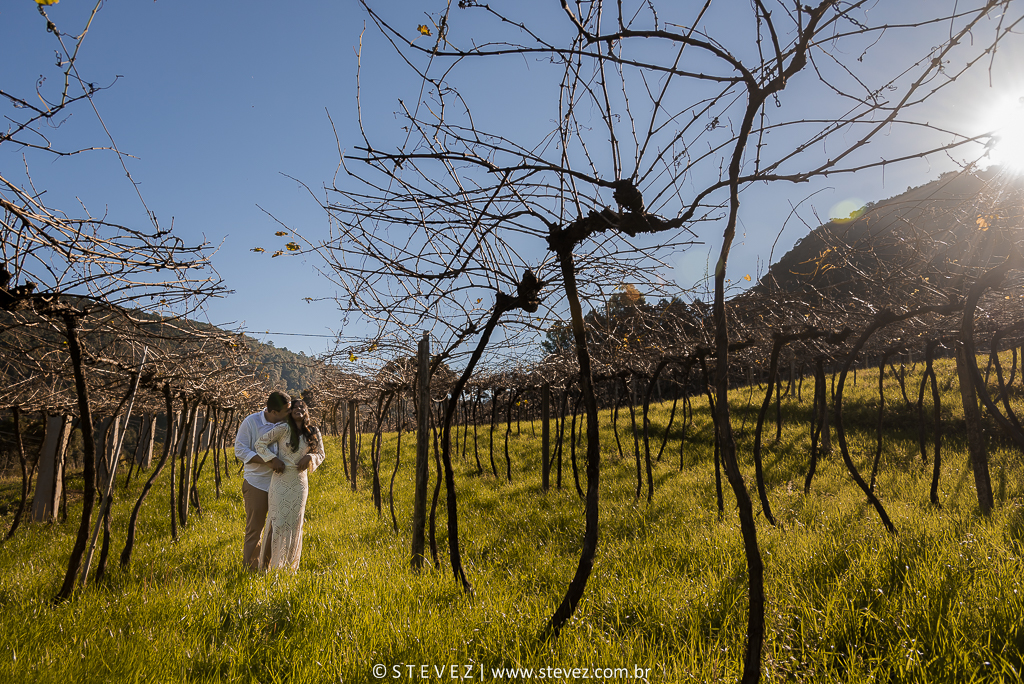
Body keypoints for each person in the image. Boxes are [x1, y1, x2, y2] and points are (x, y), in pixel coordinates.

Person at [254, 399, 324, 571]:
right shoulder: (283, 429)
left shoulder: (313, 431)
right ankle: (266, 568)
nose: (299, 408)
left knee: (294, 524)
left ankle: (288, 568)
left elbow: (321, 454)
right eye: (295, 406)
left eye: (302, 406)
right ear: (290, 412)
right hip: (280, 480)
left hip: (299, 483)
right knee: (277, 523)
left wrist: (310, 457)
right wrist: (273, 459)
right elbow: (260, 444)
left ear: (306, 411)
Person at [234, 391, 291, 571]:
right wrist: (268, 461)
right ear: (273, 412)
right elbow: (240, 450)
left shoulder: (287, 424)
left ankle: (266, 568)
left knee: (276, 529)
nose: (289, 413)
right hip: (256, 483)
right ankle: (251, 570)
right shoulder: (251, 422)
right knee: (255, 529)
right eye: (286, 411)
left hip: (281, 483)